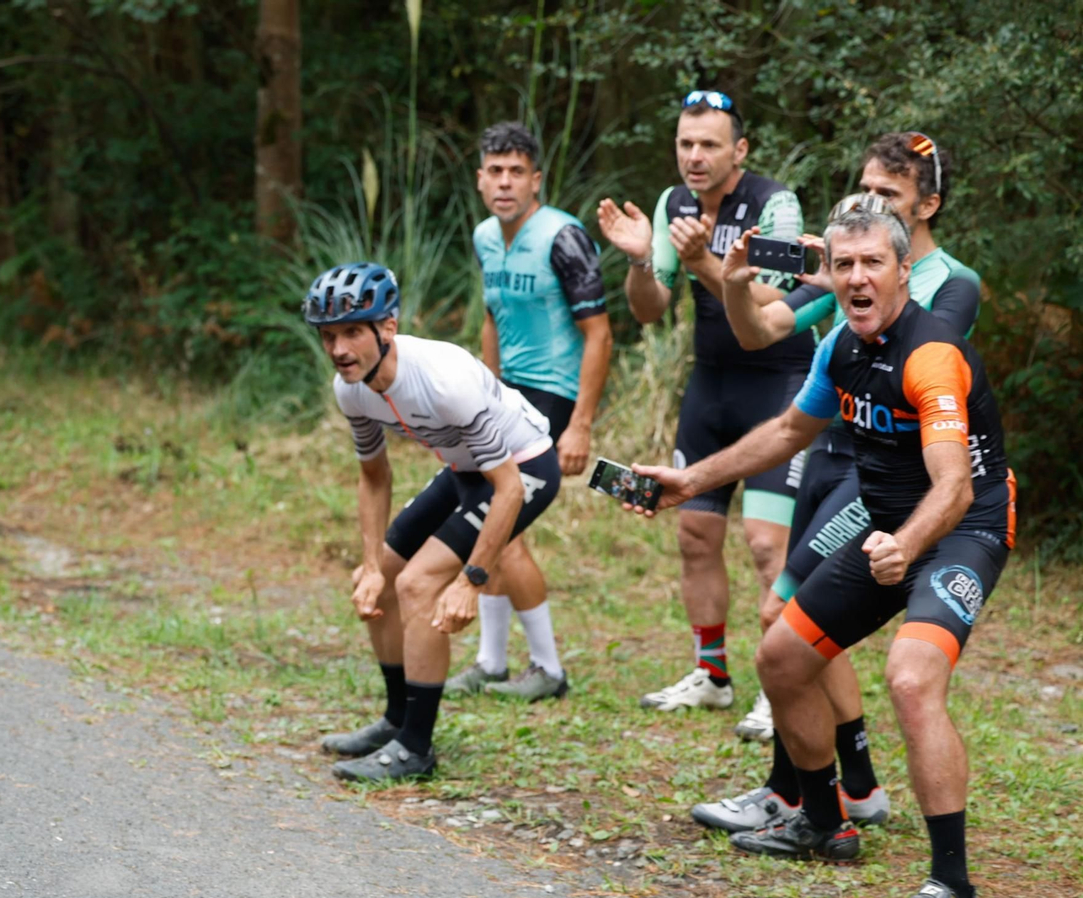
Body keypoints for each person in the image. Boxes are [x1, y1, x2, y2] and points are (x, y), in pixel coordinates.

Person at [628, 201, 1014, 898]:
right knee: (782, 655)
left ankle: (952, 889)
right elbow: (786, 432)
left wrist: (905, 544)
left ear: (905, 271)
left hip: (960, 530)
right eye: (844, 265)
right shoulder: (839, 346)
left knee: (910, 676)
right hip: (887, 529)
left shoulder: (932, 355)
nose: (859, 278)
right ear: (827, 272)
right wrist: (689, 481)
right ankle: (823, 820)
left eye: (874, 263)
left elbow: (955, 487)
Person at [694, 134, 977, 836]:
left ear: (927, 205)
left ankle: (808, 794)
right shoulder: (848, 265)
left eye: (888, 195)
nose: (867, 202)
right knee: (800, 631)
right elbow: (763, 330)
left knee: (782, 619)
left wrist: (847, 280)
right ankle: (844, 789)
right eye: (863, 188)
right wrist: (725, 275)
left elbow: (912, 357)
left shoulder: (950, 282)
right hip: (825, 451)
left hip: (880, 475)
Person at [597, 90, 814, 718]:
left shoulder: (774, 202)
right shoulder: (673, 204)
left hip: (780, 382)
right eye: (685, 144)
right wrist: (643, 259)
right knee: (694, 534)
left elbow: (770, 307)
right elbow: (650, 309)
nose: (694, 157)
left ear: (739, 150)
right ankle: (711, 674)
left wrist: (703, 259)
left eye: (709, 145)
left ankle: (785, 685)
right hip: (712, 382)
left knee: (768, 544)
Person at [308, 262, 561, 782]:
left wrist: (472, 579)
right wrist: (370, 562)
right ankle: (396, 722)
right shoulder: (350, 389)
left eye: (353, 332)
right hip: (463, 468)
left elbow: (509, 487)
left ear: (389, 327)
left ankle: (416, 749)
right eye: (329, 336)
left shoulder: (445, 380)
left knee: (420, 583)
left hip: (524, 467)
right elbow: (374, 477)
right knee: (376, 586)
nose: (339, 349)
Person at [446, 121, 611, 702]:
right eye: (495, 171)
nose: (505, 183)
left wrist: (580, 425)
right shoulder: (485, 236)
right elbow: (492, 315)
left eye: (517, 172)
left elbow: (599, 334)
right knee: (483, 517)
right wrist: (482, 393)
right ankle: (491, 660)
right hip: (505, 392)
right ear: (480, 179)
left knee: (502, 525)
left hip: (553, 395)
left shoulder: (562, 237)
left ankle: (548, 668)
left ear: (536, 179)